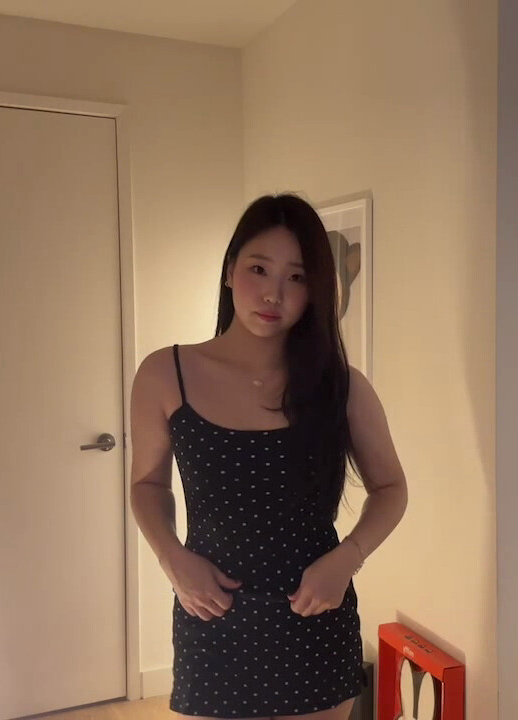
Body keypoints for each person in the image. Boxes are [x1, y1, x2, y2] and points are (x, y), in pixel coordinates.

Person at [128, 194, 409, 720]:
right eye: (259, 269)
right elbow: (147, 484)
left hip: (315, 619)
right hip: (211, 614)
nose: (274, 293)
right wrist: (171, 558)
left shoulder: (340, 386)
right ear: (230, 270)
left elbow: (392, 489)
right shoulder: (166, 374)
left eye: (296, 277)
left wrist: (348, 558)